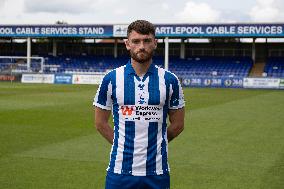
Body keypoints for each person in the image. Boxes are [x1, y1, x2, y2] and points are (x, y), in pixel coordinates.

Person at [93, 20, 185, 189]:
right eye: (136, 41)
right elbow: (100, 123)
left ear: (155, 43)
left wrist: (157, 143)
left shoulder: (170, 80)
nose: (141, 46)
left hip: (157, 173)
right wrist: (123, 144)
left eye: (147, 41)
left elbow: (178, 125)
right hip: (119, 172)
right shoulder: (111, 79)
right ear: (127, 44)